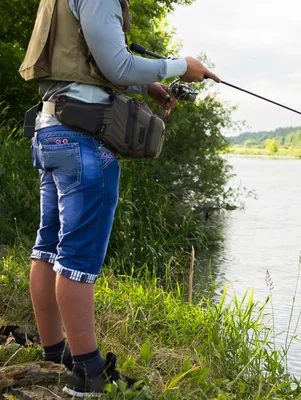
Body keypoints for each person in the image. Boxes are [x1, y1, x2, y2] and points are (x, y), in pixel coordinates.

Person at [19, 0, 219, 396]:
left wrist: (149, 85)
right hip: (81, 139)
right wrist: (181, 66)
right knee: (77, 257)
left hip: (50, 129)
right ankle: (88, 373)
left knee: (48, 248)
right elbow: (117, 66)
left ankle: (55, 352)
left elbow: (87, 62)